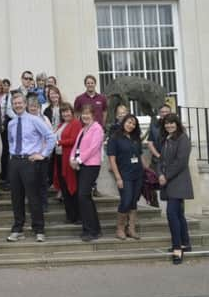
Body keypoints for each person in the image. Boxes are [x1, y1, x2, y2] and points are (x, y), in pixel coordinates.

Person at [6, 93, 55, 243]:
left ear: (25, 104)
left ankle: (39, 229)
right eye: (15, 103)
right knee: (16, 197)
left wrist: (43, 154)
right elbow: (11, 142)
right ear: (13, 106)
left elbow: (51, 137)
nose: (18, 105)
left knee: (33, 197)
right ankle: (18, 228)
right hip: (15, 162)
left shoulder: (35, 120)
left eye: (20, 103)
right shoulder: (11, 123)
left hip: (30, 162)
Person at [156, 114, 194, 264]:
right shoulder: (166, 139)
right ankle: (186, 243)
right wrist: (159, 174)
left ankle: (177, 248)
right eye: (166, 123)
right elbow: (160, 160)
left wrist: (166, 176)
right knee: (178, 214)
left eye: (172, 123)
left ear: (177, 124)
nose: (169, 126)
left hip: (178, 181)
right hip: (168, 180)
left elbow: (181, 162)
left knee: (172, 213)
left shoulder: (183, 138)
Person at [107, 114, 147, 241]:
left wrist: (148, 169)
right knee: (126, 200)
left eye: (134, 124)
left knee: (134, 201)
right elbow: (112, 160)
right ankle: (120, 229)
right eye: (129, 122)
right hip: (124, 175)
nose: (131, 125)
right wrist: (118, 178)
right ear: (123, 122)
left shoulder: (136, 138)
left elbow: (140, 156)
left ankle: (131, 229)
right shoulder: (114, 138)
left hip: (138, 174)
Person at [69, 105, 105, 242]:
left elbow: (93, 148)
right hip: (80, 165)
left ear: (93, 115)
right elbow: (75, 147)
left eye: (88, 113)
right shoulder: (83, 129)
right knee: (85, 198)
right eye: (83, 114)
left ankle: (92, 230)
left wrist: (78, 159)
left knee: (83, 196)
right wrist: (71, 159)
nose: (85, 116)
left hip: (91, 165)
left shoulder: (97, 128)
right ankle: (91, 228)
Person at [54, 103, 82, 224]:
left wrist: (59, 142)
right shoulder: (61, 124)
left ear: (72, 112)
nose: (65, 114)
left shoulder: (76, 123)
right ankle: (70, 216)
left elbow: (74, 140)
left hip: (69, 158)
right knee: (64, 188)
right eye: (63, 112)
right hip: (59, 157)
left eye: (67, 111)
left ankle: (77, 216)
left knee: (72, 187)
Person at [147, 104, 172, 168]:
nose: (164, 114)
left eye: (166, 112)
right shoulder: (154, 126)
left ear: (170, 113)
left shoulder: (176, 126)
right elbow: (150, 143)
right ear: (159, 113)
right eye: (162, 112)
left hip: (172, 161)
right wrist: (158, 156)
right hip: (157, 160)